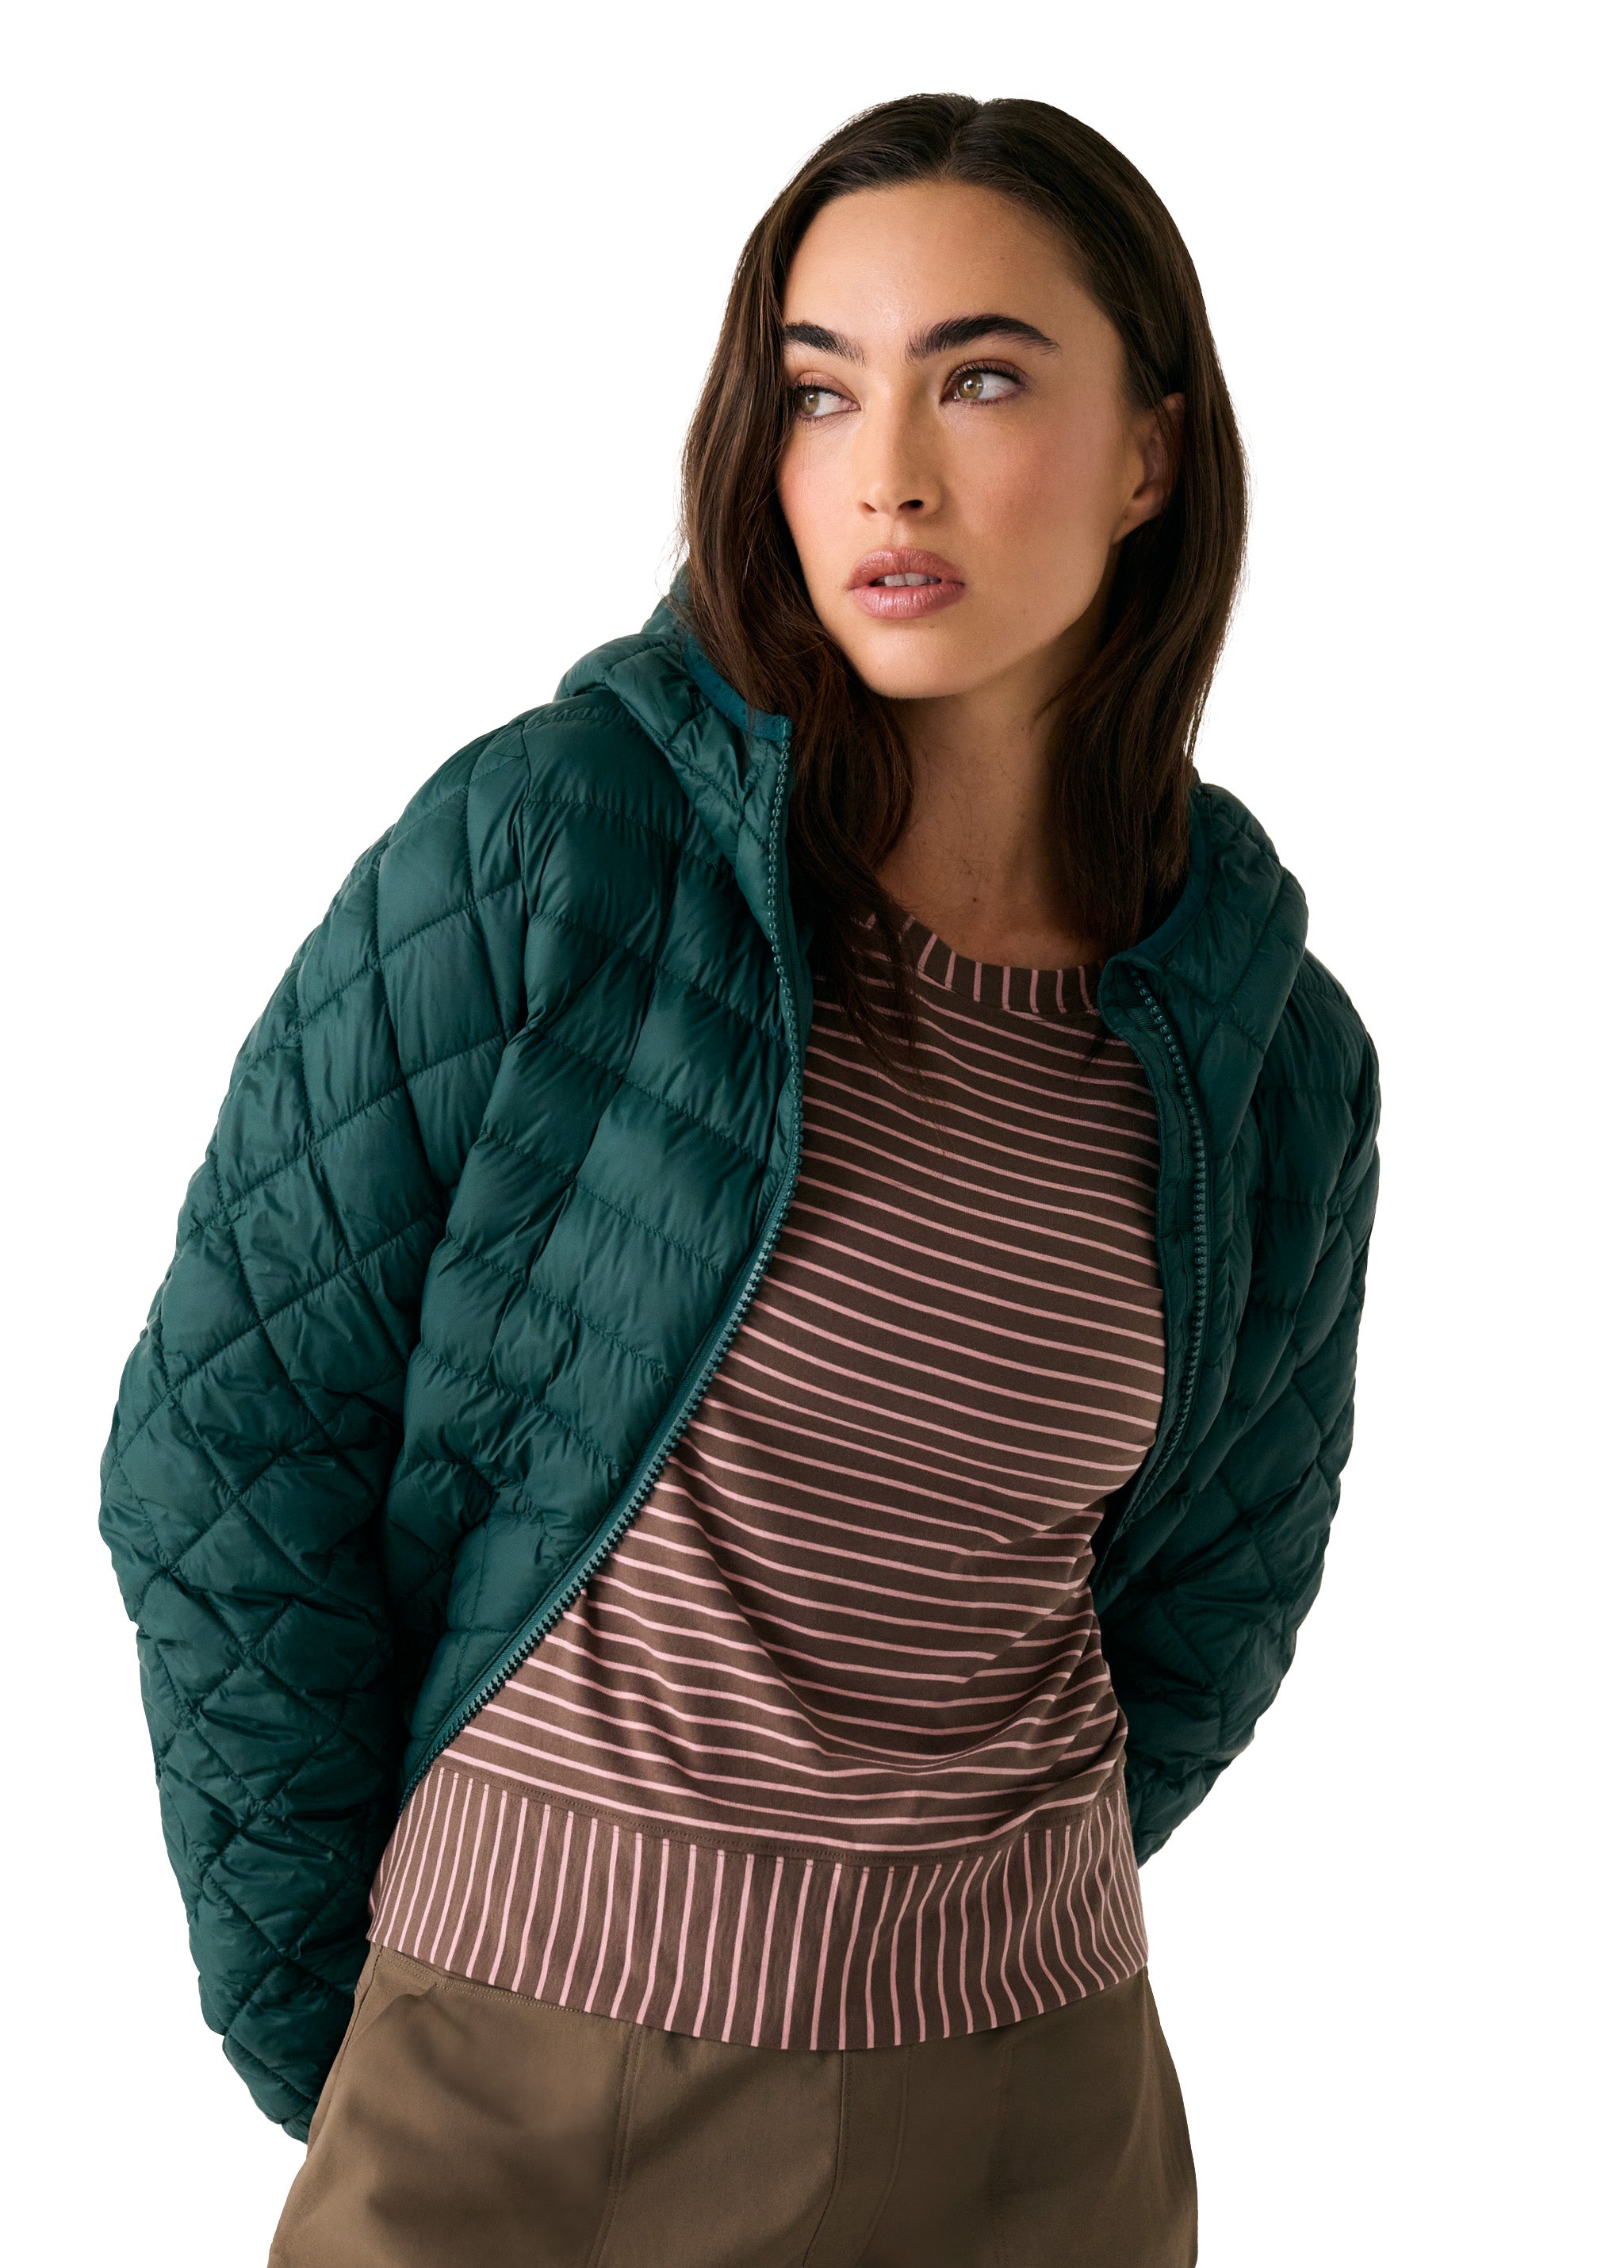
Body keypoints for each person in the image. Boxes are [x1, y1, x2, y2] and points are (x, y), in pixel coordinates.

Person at [100, 91, 1379, 2268]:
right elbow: (230, 1444)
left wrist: (927, 1935)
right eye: (820, 389)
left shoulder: (1265, 1050)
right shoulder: (560, 844)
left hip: (1035, 2125)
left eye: (982, 379)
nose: (888, 475)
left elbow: (1210, 1596)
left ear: (1153, 453)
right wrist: (370, 2023)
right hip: (516, 2090)